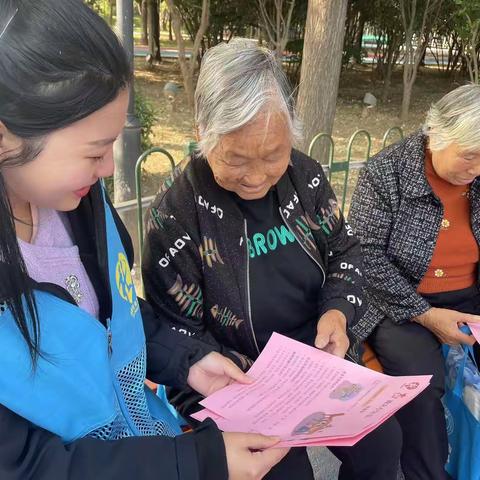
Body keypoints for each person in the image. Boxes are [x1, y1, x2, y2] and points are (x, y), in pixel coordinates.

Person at [0, 2, 290, 479]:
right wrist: (197, 462)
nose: (109, 170)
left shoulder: (78, 202)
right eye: (95, 152)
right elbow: (28, 467)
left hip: (151, 438)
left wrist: (187, 361)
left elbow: (108, 315)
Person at [142, 39, 402, 480]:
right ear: (204, 131)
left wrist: (338, 314)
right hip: (236, 381)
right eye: (237, 159)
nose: (258, 176)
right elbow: (178, 335)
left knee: (384, 442)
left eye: (273, 155)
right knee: (283, 473)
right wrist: (257, 386)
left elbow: (345, 252)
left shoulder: (305, 176)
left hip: (319, 364)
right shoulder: (177, 217)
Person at [349, 84, 480, 480]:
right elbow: (363, 256)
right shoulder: (386, 173)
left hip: (469, 293)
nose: (477, 169)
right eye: (469, 155)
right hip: (399, 302)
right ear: (437, 135)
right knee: (422, 390)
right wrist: (424, 314)